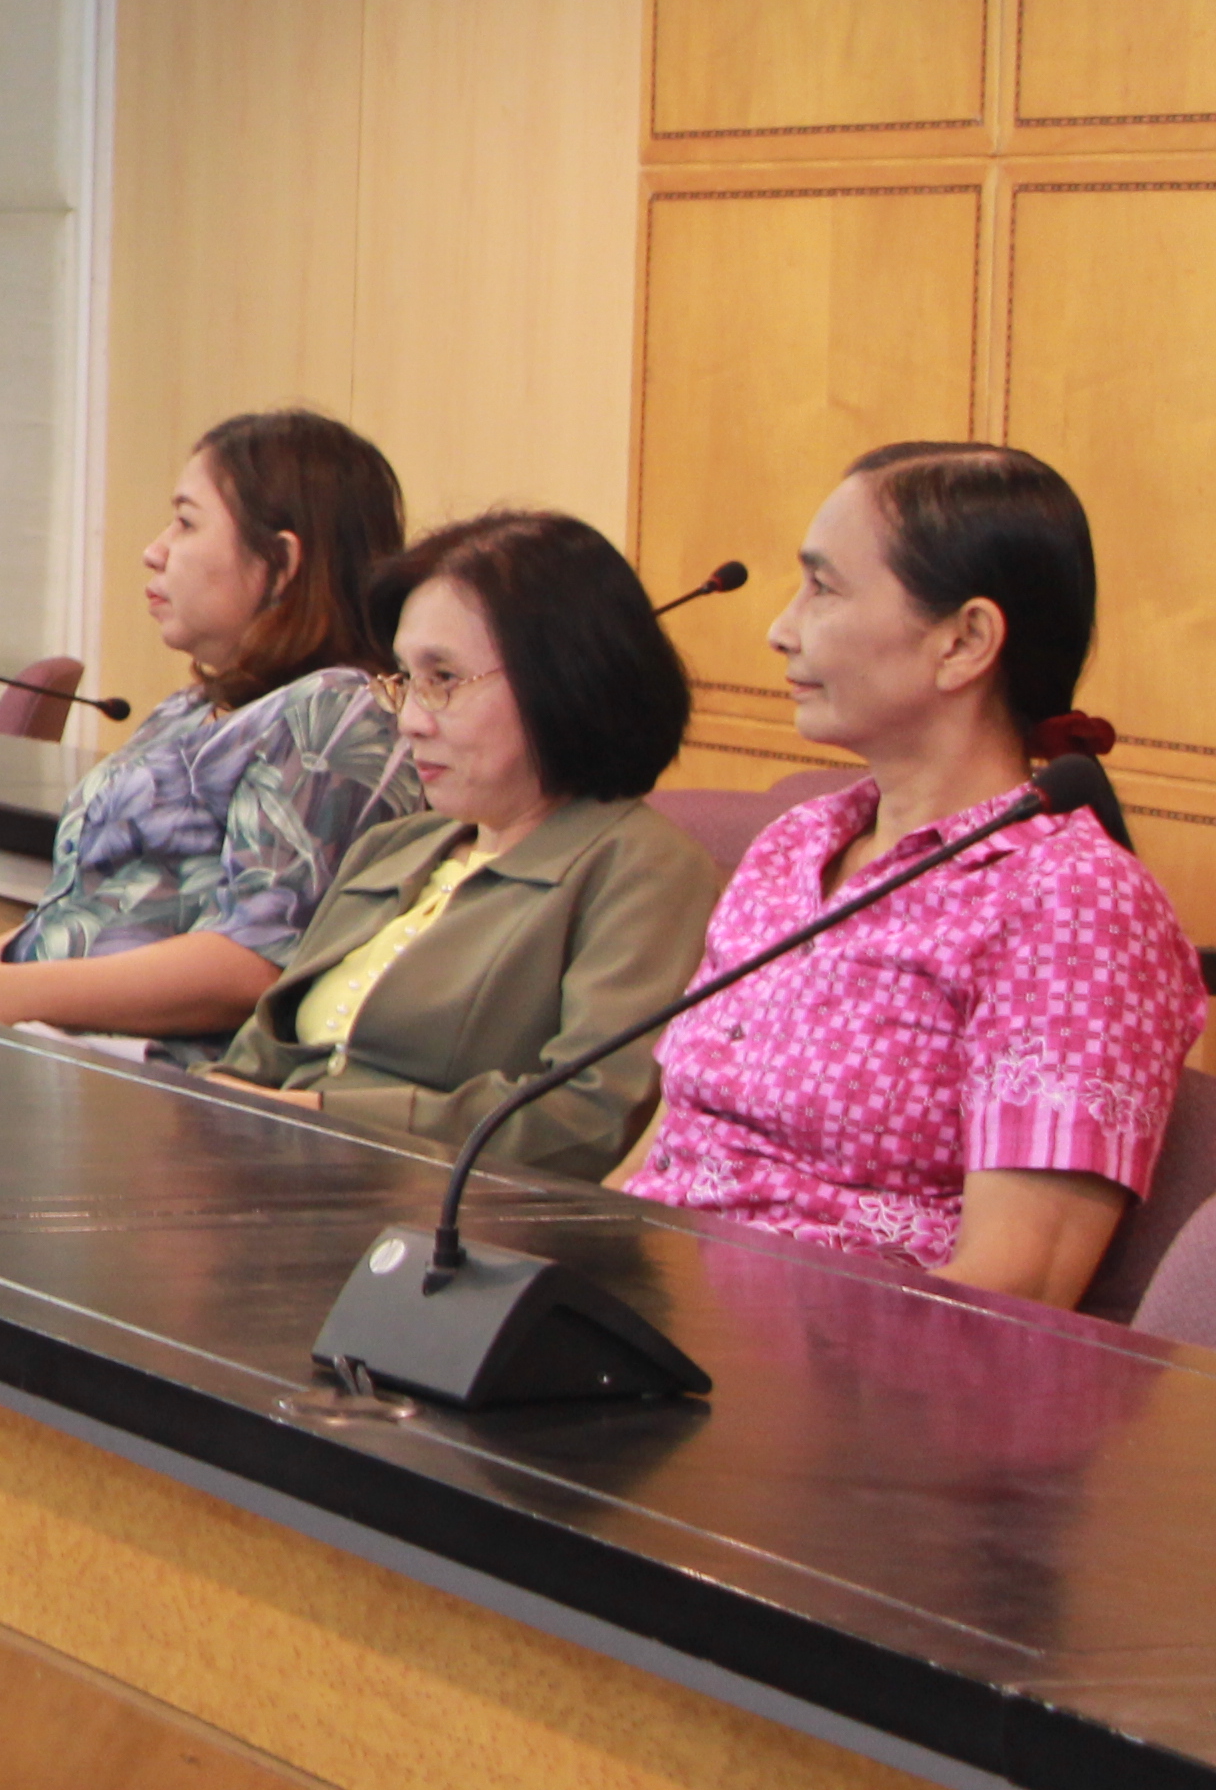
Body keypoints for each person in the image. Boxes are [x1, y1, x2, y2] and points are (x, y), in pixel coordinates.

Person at [616, 444, 1198, 1308]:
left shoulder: (1074, 904)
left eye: (823, 588)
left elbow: (1016, 1290)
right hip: (640, 1311)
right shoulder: (793, 845)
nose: (780, 628)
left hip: (831, 1363)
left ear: (964, 642)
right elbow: (665, 1150)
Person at [207, 510, 716, 1175]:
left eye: (443, 679)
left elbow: (590, 1118)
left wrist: (320, 1119)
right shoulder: (395, 846)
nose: (411, 721)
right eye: (405, 680)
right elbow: (254, 1060)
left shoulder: (645, 869)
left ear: (565, 677)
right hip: (263, 1172)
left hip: (438, 1211)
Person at [0, 408, 414, 1037]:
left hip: (155, 1072)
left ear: (280, 561)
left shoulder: (337, 712)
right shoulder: (189, 708)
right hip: (54, 1040)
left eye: (186, 523)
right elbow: (91, 906)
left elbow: (254, 964)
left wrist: (5, 992)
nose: (154, 551)